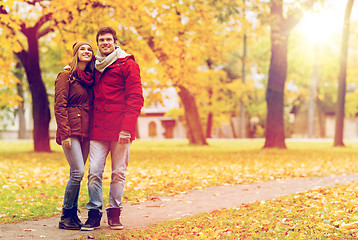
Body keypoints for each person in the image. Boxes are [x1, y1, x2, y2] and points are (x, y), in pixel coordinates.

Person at [81, 26, 144, 231]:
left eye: (109, 39)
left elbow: (135, 98)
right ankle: (93, 214)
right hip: (98, 129)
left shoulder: (128, 64)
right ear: (98, 43)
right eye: (101, 40)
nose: (105, 43)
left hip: (120, 130)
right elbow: (80, 74)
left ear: (115, 42)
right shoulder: (94, 65)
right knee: (94, 172)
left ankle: (115, 213)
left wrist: (126, 128)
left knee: (118, 172)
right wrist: (68, 70)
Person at [54, 41, 95, 230]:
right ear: (75, 53)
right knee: (78, 171)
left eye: (89, 49)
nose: (86, 51)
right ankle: (65, 215)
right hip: (71, 130)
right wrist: (65, 134)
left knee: (77, 173)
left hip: (86, 130)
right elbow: (59, 106)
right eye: (82, 49)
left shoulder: (91, 77)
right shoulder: (65, 75)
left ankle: (72, 216)